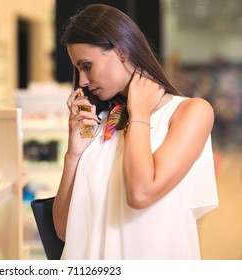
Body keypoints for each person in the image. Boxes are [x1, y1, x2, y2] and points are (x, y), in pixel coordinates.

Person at [52, 4, 218, 260]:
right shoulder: (101, 121)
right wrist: (73, 154)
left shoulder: (190, 113)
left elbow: (140, 193)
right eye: (78, 69)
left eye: (86, 65)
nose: (82, 81)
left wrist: (139, 112)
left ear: (121, 51)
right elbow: (64, 230)